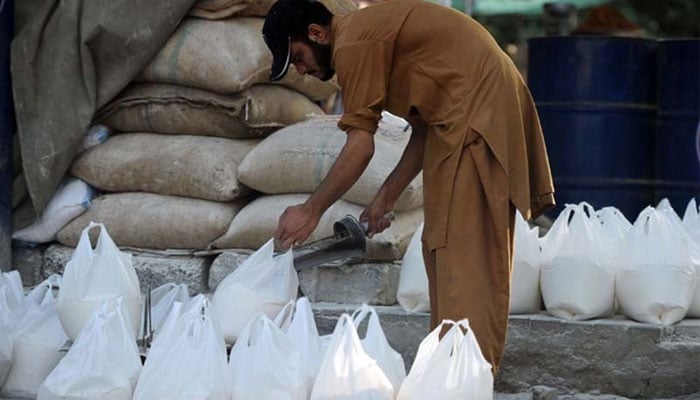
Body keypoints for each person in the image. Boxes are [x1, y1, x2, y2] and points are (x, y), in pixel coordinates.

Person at [263, 0, 555, 373]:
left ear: (317, 34)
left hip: (478, 115)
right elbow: (422, 126)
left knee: (465, 257)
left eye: (299, 57)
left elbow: (360, 145)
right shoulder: (364, 36)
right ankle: (448, 371)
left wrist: (310, 211)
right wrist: (385, 197)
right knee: (441, 247)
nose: (302, 71)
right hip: (459, 117)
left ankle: (466, 378)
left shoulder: (353, 45)